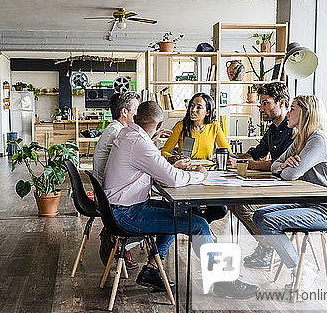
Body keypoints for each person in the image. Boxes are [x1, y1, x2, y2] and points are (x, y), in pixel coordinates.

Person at [103, 101, 258, 298]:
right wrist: (199, 175)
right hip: (126, 213)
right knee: (199, 223)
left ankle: (152, 269)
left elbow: (154, 169)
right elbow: (172, 179)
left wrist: (172, 167)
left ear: (135, 118)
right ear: (159, 126)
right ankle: (222, 281)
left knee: (179, 210)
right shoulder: (139, 143)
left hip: (122, 207)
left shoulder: (128, 134)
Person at [252, 94, 327, 292]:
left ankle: (302, 270)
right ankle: (302, 267)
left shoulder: (318, 140)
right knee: (260, 215)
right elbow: (276, 164)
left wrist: (284, 168)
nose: (288, 113)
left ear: (306, 113)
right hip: (312, 203)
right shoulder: (301, 139)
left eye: (293, 108)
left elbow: (290, 174)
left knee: (269, 221)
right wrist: (283, 166)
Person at [227, 82, 294, 269]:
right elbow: (257, 152)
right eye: (260, 103)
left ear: (281, 103)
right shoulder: (273, 128)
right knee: (232, 202)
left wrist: (244, 163)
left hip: (290, 188)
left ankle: (272, 249)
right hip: (276, 184)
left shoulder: (292, 129)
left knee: (243, 205)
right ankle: (267, 245)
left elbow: (278, 165)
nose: (261, 108)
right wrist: (235, 157)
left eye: (265, 103)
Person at [160, 92, 228, 223]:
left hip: (208, 175)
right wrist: (174, 158)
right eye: (192, 106)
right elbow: (164, 152)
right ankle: (200, 231)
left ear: (207, 112)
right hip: (187, 175)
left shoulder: (214, 126)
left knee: (221, 209)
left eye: (198, 107)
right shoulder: (181, 126)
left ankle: (201, 225)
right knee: (193, 208)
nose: (193, 110)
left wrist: (218, 157)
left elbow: (226, 151)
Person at [93, 91, 140, 269]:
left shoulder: (115, 129)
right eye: (135, 110)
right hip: (109, 200)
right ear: (124, 112)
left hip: (106, 193)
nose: (138, 114)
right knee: (149, 206)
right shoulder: (117, 132)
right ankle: (116, 239)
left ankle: (121, 243)